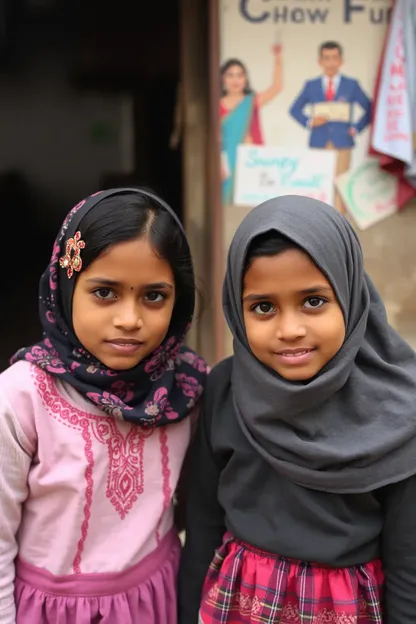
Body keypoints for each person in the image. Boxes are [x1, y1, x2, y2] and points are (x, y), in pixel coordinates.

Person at [179, 195, 416, 624]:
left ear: (350, 294)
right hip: (240, 605)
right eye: (263, 307)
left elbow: (408, 564)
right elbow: (202, 525)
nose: (290, 330)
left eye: (313, 301)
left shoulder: (400, 413)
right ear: (237, 308)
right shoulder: (224, 388)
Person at [0, 187, 208, 624]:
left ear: (179, 300)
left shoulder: (186, 388)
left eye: (154, 296)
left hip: (158, 600)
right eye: (105, 292)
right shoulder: (22, 397)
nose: (129, 319)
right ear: (65, 287)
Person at [289, 41, 372, 213]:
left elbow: (370, 108)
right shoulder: (311, 85)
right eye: (327, 58)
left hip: (342, 141)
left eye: (334, 58)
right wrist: (310, 121)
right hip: (319, 140)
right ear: (320, 61)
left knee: (341, 183)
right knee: (319, 182)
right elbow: (294, 109)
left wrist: (356, 128)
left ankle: (340, 225)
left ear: (341, 60)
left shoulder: (351, 85)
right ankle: (320, 221)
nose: (331, 63)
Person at [220, 45, 283, 205]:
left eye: (240, 75)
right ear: (223, 79)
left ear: (245, 79)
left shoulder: (251, 101)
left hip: (251, 160)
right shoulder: (216, 105)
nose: (235, 80)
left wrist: (278, 58)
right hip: (225, 165)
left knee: (251, 207)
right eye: (230, 75)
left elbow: (276, 88)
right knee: (226, 205)